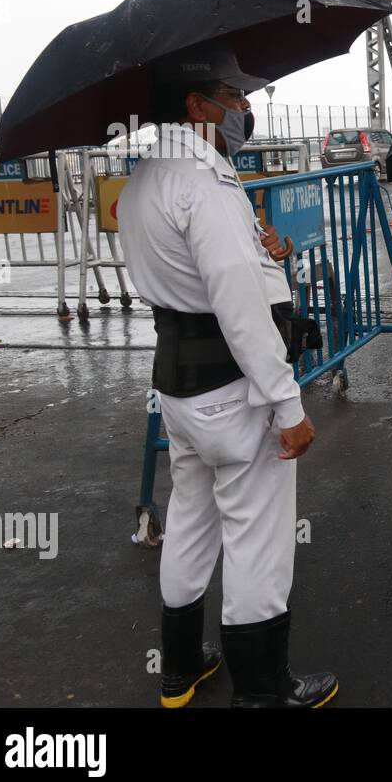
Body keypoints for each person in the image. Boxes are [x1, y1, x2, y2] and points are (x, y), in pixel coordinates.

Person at [118, 43, 336, 708]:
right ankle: (264, 690)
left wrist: (270, 246)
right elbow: (239, 301)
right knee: (257, 539)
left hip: (181, 389)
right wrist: (287, 403)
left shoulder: (144, 180)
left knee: (190, 517)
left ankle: (181, 669)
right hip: (235, 393)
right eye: (232, 96)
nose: (243, 108)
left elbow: (197, 275)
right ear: (197, 105)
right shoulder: (205, 178)